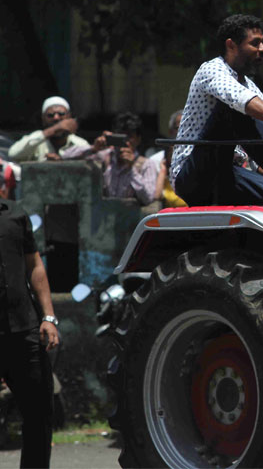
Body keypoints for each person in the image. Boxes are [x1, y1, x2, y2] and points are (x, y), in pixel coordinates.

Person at [171, 14, 263, 208]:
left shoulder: (253, 89)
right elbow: (239, 99)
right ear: (231, 45)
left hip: (231, 171)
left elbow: (257, 149)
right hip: (193, 173)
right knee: (233, 107)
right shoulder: (211, 70)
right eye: (255, 43)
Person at [0, 197, 59, 468]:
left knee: (39, 414)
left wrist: (48, 317)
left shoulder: (15, 215)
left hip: (23, 331)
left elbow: (35, 267)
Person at [62, 112, 160, 204]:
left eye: (129, 137)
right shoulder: (104, 156)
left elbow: (148, 198)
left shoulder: (147, 164)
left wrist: (132, 170)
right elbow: (65, 156)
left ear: (138, 139)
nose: (125, 142)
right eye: (120, 136)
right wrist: (93, 148)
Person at [8, 97, 89, 162]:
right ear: (43, 119)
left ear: (69, 117)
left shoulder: (80, 143)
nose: (56, 118)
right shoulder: (36, 140)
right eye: (50, 115)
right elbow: (13, 154)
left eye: (61, 114)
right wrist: (54, 129)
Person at [149, 110, 186, 207]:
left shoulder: (197, 159)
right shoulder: (155, 161)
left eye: (187, 126)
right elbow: (155, 197)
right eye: (179, 128)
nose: (184, 132)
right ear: (170, 132)